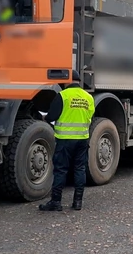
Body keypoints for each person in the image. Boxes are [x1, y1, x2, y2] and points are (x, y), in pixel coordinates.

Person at [39, 70, 95, 212]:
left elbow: (52, 116)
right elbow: (90, 116)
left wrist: (45, 118)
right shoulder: (88, 97)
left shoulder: (63, 96)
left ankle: (56, 202)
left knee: (61, 170)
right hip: (82, 139)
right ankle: (77, 202)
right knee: (79, 169)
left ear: (68, 81)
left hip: (65, 140)